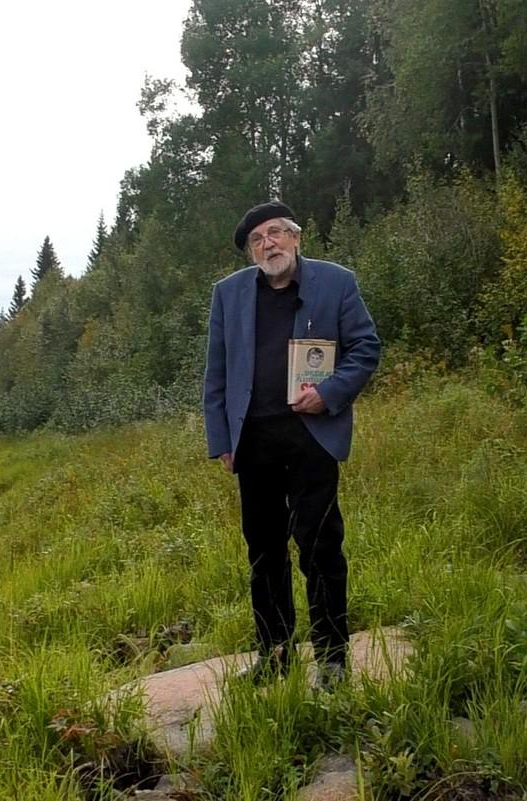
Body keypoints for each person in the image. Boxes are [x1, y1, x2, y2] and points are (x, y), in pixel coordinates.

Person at [203, 200, 381, 689]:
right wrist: (221, 438)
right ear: (251, 253)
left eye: (276, 233)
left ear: (296, 237)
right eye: (257, 240)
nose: (268, 244)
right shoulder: (229, 294)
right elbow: (216, 371)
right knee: (263, 552)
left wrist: (329, 393)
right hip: (253, 441)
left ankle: (332, 659)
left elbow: (366, 348)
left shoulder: (337, 282)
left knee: (320, 547)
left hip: (311, 437)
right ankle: (275, 654)